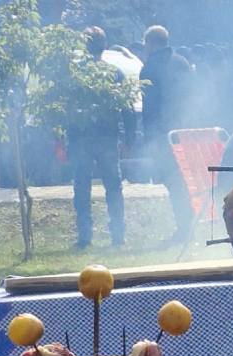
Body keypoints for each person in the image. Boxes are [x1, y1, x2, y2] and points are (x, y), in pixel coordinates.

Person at [67, 26, 132, 250]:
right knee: (113, 187)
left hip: (81, 138)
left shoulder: (74, 74)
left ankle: (85, 237)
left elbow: (66, 109)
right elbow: (127, 108)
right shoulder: (114, 73)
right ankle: (118, 234)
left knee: (82, 187)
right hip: (107, 137)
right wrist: (129, 138)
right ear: (104, 46)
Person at [140, 24, 196, 245]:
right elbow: (193, 96)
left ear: (150, 43)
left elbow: (150, 109)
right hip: (186, 132)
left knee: (174, 182)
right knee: (184, 180)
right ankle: (188, 224)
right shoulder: (182, 62)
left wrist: (149, 139)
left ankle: (183, 229)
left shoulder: (149, 68)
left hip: (163, 136)